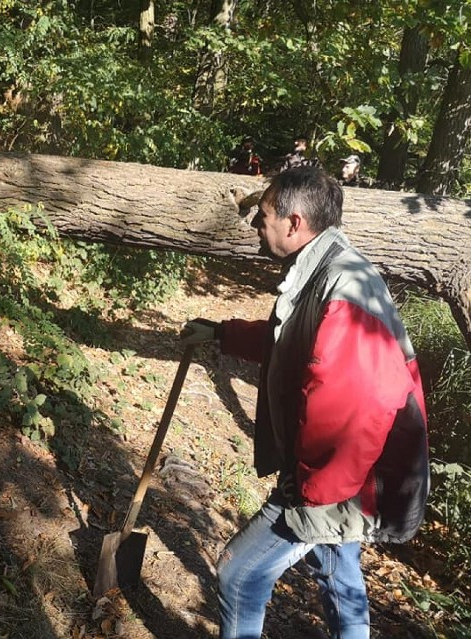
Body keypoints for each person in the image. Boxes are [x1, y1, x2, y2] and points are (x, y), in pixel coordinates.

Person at [182, 166, 429, 638]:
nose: (256, 220)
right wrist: (222, 333)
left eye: (265, 213)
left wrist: (311, 498)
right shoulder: (321, 266)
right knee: (338, 570)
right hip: (344, 476)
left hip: (346, 481)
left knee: (240, 572)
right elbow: (293, 341)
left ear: (294, 223)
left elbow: (364, 406)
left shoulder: (344, 288)